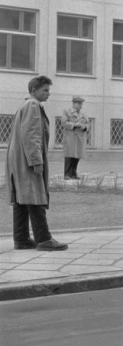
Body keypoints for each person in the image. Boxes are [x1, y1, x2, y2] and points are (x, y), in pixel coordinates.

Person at [6, 76, 68, 251]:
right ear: (33, 90)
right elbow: (31, 136)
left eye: (49, 90)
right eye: (45, 90)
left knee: (21, 198)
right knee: (35, 196)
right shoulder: (33, 106)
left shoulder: (24, 106)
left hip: (18, 160)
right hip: (27, 160)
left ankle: (21, 239)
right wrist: (36, 161)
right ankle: (44, 239)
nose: (48, 94)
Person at [61, 95, 90, 180]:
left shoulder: (83, 113)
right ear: (73, 104)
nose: (81, 105)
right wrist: (74, 125)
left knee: (77, 156)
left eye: (81, 104)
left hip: (80, 137)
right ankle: (66, 174)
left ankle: (73, 173)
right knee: (69, 155)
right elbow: (63, 123)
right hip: (70, 137)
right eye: (79, 103)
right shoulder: (67, 111)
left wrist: (84, 127)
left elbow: (88, 124)